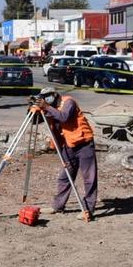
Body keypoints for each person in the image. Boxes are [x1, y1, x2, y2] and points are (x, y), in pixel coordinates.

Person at [35, 87, 98, 219]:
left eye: (47, 96)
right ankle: (58, 206)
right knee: (64, 177)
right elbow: (35, 121)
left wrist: (46, 106)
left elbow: (63, 117)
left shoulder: (68, 102)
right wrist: (33, 108)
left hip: (84, 144)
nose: (45, 99)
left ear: (54, 95)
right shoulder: (49, 107)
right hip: (68, 147)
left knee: (89, 178)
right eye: (43, 97)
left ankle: (88, 209)